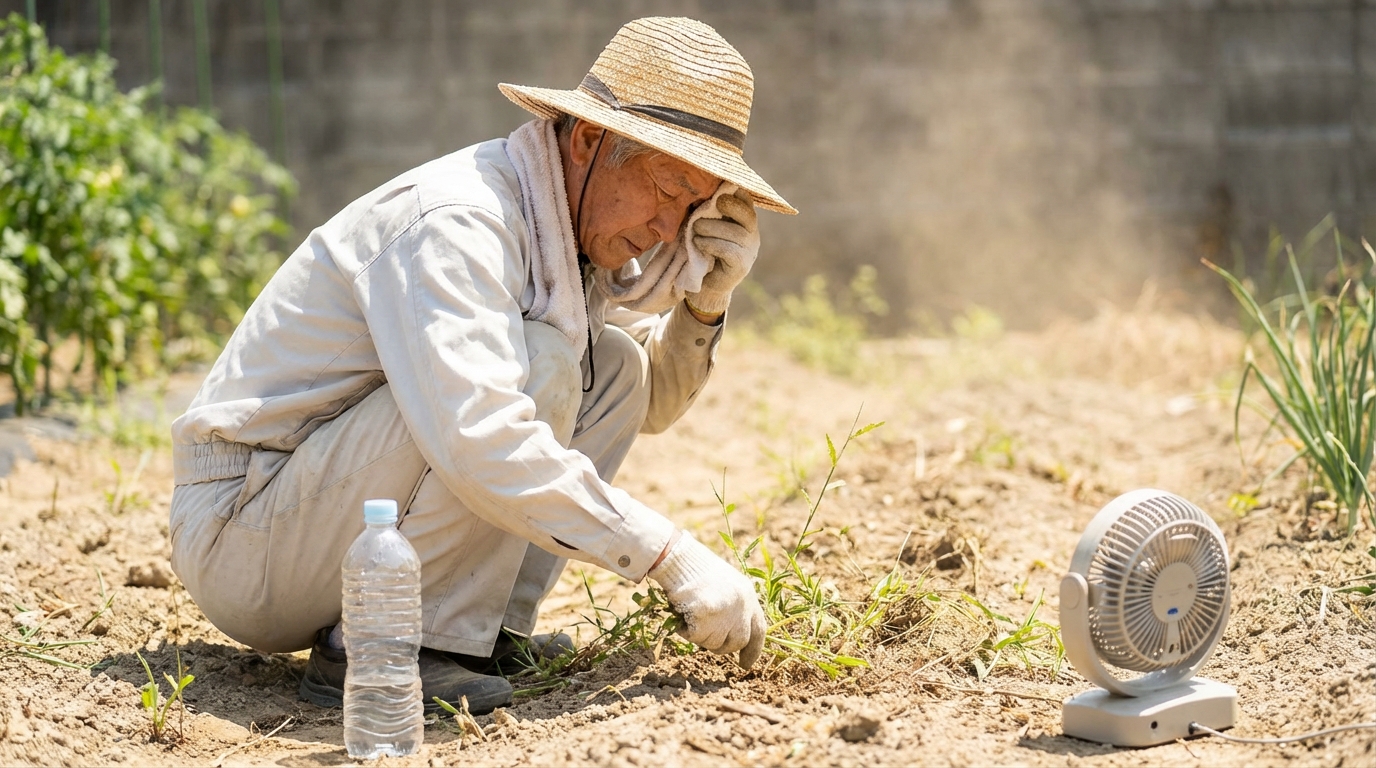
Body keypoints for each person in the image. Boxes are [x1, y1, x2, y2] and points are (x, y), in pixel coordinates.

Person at [167, 16, 796, 714]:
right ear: (589, 141)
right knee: (543, 362)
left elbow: (641, 406)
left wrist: (705, 304)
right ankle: (384, 648)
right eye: (667, 189)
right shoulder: (460, 221)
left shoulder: (561, 234)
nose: (671, 228)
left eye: (695, 205)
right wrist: (668, 555)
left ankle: (478, 634)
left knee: (611, 362)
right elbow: (479, 436)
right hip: (245, 534)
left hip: (312, 517)